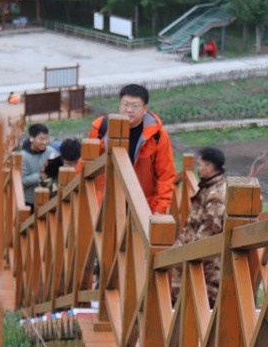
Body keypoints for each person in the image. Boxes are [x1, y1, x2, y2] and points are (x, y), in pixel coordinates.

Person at [88, 84, 176, 214]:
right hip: (104, 204)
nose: (129, 110)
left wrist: (159, 209)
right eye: (125, 104)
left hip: (141, 206)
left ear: (145, 109)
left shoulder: (156, 135)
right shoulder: (101, 129)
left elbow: (166, 175)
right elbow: (85, 166)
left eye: (135, 106)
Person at [171, 146, 227, 308]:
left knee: (201, 305)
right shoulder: (207, 188)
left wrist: (189, 252)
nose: (198, 168)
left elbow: (211, 227)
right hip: (193, 257)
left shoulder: (216, 193)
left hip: (207, 264)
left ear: (209, 167)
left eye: (200, 164)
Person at [20, 123, 56, 209]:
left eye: (46, 139)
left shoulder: (51, 152)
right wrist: (40, 176)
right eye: (41, 139)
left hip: (50, 199)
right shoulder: (23, 156)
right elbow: (23, 180)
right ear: (32, 138)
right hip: (30, 200)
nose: (44, 142)